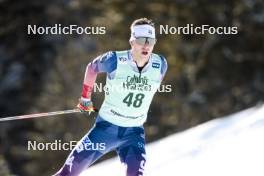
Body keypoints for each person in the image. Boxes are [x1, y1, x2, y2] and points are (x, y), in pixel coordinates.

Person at [54, 17, 168, 176]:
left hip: (133, 134)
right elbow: (92, 68)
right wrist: (85, 99)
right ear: (132, 41)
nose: (147, 45)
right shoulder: (115, 60)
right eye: (142, 40)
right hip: (105, 129)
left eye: (151, 40)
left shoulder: (161, 64)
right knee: (67, 173)